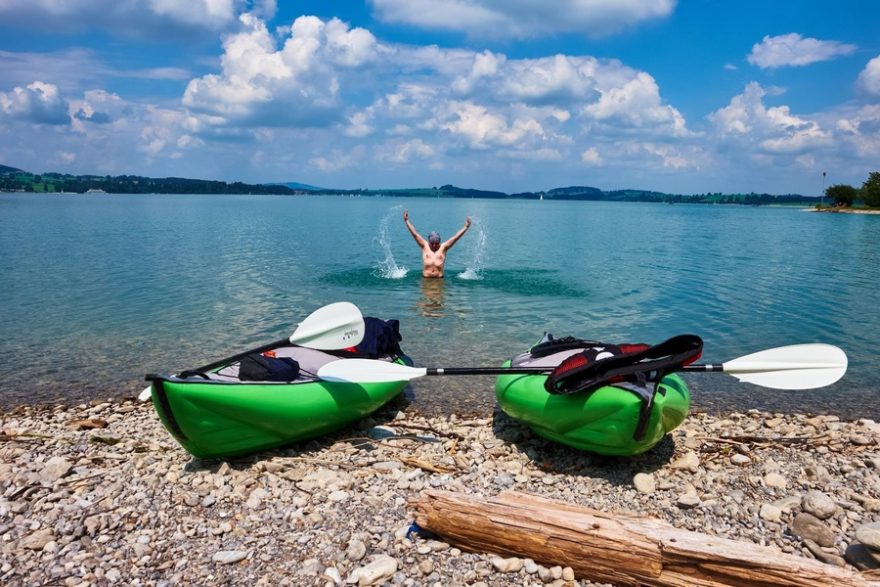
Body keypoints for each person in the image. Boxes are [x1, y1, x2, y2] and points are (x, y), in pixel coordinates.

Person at [403, 209, 471, 278]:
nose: (434, 245)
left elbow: (455, 237)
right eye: (432, 243)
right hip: (426, 280)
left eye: (436, 243)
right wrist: (406, 221)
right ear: (429, 241)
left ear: (439, 242)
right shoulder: (424, 245)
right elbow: (415, 234)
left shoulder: (444, 247)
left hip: (439, 280)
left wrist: (466, 227)